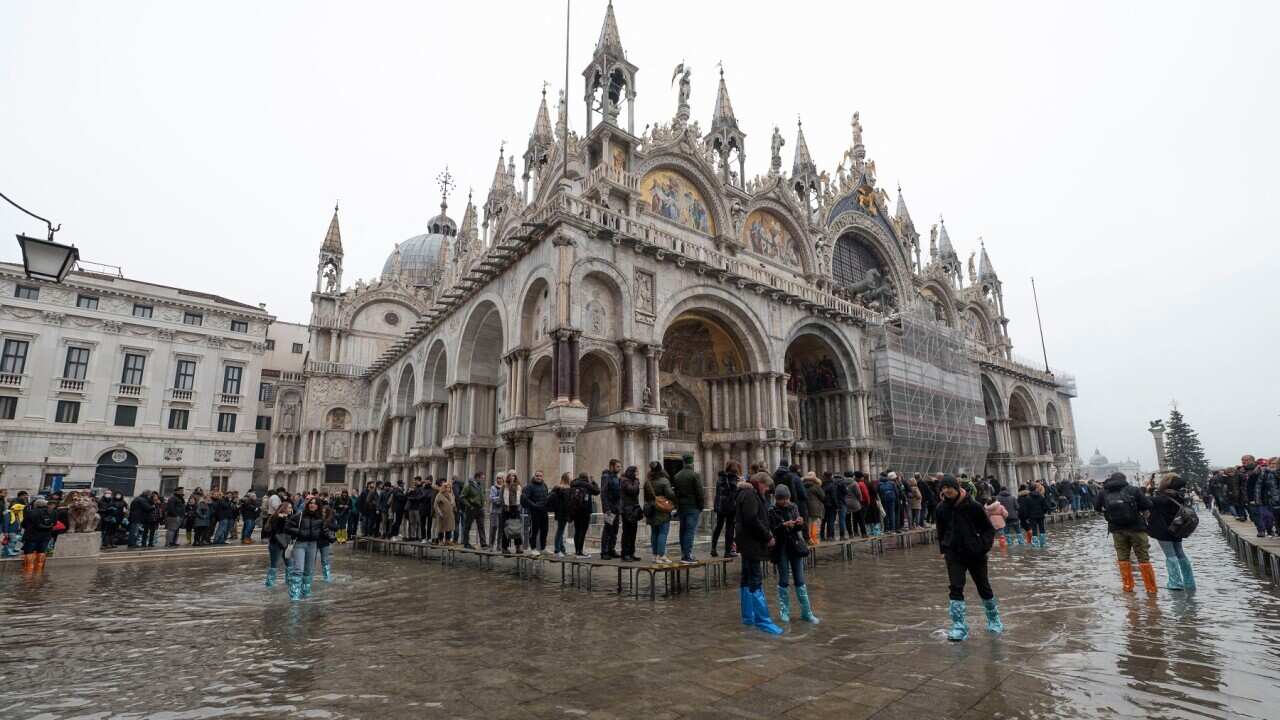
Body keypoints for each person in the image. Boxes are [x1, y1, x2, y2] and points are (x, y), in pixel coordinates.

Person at [935, 475, 1002, 641]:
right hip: (954, 554)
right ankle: (959, 626)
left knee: (983, 586)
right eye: (943, 488)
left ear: (956, 487)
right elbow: (940, 530)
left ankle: (994, 620)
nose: (945, 491)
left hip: (975, 554)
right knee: (955, 587)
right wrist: (944, 548)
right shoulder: (941, 508)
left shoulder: (974, 506)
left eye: (948, 487)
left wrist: (982, 546)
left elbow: (988, 529)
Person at [734, 469, 783, 634]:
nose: (767, 490)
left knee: (747, 578)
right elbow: (752, 519)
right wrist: (768, 536)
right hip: (752, 543)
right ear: (760, 483)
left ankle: (749, 616)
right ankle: (763, 621)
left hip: (747, 542)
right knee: (755, 579)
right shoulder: (750, 495)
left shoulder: (746, 493)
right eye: (766, 487)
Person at [1095, 472, 1156, 594]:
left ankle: (1128, 587)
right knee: (1143, 558)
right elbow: (1148, 504)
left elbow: (1096, 507)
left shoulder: (1103, 492)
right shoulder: (1133, 490)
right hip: (1137, 528)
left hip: (1117, 530)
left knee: (1123, 558)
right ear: (1124, 479)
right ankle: (1151, 588)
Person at [769, 485, 820, 625]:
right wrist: (783, 526)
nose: (785, 501)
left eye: (786, 498)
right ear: (777, 499)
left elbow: (799, 528)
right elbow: (772, 529)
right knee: (784, 579)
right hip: (781, 548)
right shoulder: (772, 511)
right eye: (781, 499)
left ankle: (807, 612)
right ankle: (784, 612)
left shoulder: (794, 507)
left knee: (800, 579)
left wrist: (799, 523)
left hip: (794, 546)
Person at [1148, 474, 1196, 592]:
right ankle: (1189, 582)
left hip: (1163, 530)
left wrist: (1146, 488)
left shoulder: (1161, 499)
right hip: (1177, 528)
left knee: (1170, 555)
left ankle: (1175, 582)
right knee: (1180, 554)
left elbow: (1145, 502)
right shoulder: (1180, 496)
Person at [285, 496, 325, 599]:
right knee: (298, 569)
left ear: (318, 506)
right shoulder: (299, 515)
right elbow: (288, 527)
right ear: (307, 505)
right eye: (311, 503)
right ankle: (294, 594)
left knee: (308, 570)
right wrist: (299, 532)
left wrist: (329, 536)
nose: (312, 505)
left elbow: (323, 530)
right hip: (300, 544)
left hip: (313, 545)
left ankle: (306, 592)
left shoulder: (320, 518)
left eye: (315, 503)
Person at [671, 453, 704, 565]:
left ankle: (684, 554)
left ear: (683, 462)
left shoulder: (677, 475)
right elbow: (699, 492)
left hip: (682, 507)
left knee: (683, 530)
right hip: (693, 506)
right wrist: (701, 506)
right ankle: (687, 555)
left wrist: (677, 506)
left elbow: (676, 493)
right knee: (690, 531)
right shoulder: (694, 475)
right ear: (692, 462)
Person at [644, 462, 676, 564]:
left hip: (651, 509)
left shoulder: (648, 481)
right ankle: (661, 555)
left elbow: (646, 496)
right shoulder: (664, 481)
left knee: (654, 532)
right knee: (663, 532)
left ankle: (654, 555)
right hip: (662, 509)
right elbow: (670, 494)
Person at [711, 461, 741, 557]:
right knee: (729, 528)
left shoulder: (721, 478)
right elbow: (735, 493)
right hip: (730, 507)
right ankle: (727, 551)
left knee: (718, 527)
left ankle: (713, 548)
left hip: (720, 506)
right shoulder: (733, 479)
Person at [21, 496, 55, 575]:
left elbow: (24, 524)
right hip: (46, 536)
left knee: (29, 552)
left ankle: (28, 571)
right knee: (42, 551)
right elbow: (54, 524)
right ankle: (38, 571)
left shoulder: (31, 512)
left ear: (36, 505)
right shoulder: (53, 512)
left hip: (32, 536)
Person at [568, 472, 599, 558]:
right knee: (583, 531)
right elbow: (597, 491)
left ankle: (576, 550)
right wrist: (593, 482)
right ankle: (580, 551)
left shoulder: (573, 484)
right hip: (585, 511)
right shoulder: (587, 485)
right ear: (586, 478)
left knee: (577, 530)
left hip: (575, 511)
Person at [263, 501, 292, 587]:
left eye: (291, 507)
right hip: (276, 544)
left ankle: (289, 582)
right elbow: (276, 531)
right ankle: (269, 584)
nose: (291, 509)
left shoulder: (288, 517)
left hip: (286, 544)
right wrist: (282, 519)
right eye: (289, 507)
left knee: (289, 563)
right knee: (274, 564)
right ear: (284, 508)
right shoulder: (276, 517)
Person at [522, 470, 550, 556]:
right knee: (534, 530)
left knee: (545, 530)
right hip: (534, 512)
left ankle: (543, 548)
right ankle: (533, 548)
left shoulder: (544, 485)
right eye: (537, 476)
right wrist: (534, 505)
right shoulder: (529, 486)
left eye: (540, 476)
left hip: (544, 511)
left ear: (542, 477)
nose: (538, 477)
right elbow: (525, 498)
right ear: (534, 476)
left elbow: (546, 496)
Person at [619, 465, 644, 562]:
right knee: (627, 532)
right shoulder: (625, 481)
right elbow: (632, 490)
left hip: (633, 509)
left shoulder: (632, 481)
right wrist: (637, 482)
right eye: (636, 472)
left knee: (633, 532)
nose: (637, 474)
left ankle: (631, 553)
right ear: (632, 472)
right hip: (627, 510)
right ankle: (625, 554)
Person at [599, 460, 622, 560]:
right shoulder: (606, 477)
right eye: (617, 466)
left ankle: (611, 549)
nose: (619, 468)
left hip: (616, 508)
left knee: (615, 530)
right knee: (608, 529)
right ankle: (604, 552)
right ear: (612, 466)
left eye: (620, 466)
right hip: (609, 508)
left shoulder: (616, 477)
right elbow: (603, 493)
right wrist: (607, 508)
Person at [1019, 483, 1051, 548]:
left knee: (1034, 530)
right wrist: (1043, 512)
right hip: (1040, 516)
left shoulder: (1028, 498)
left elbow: (1026, 509)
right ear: (1036, 489)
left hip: (1032, 517)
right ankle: (1043, 544)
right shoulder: (1041, 496)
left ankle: (1035, 545)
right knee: (1042, 529)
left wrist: (1027, 517)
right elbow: (1046, 506)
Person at [500, 472, 525, 555]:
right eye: (511, 475)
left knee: (516, 528)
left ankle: (518, 547)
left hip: (516, 509)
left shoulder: (518, 486)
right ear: (508, 477)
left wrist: (519, 507)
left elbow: (521, 498)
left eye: (514, 475)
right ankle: (504, 548)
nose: (512, 477)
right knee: (506, 529)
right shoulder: (504, 486)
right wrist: (505, 506)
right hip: (506, 509)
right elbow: (501, 498)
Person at [461, 472, 487, 549]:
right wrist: (469, 505)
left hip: (480, 509)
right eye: (482, 478)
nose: (483, 480)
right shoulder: (468, 486)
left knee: (481, 526)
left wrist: (483, 502)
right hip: (471, 509)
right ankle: (466, 543)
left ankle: (483, 544)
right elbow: (462, 497)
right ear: (477, 477)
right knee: (467, 526)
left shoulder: (480, 486)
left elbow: (482, 495)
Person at [549, 473, 572, 558]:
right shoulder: (561, 488)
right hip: (562, 512)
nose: (572, 478)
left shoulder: (560, 487)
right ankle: (557, 550)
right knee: (560, 531)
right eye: (570, 476)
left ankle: (562, 549)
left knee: (561, 531)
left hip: (562, 512)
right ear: (567, 478)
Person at [316, 498, 339, 581]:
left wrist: (327, 524)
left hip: (325, 542)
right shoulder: (317, 518)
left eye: (325, 512)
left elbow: (336, 528)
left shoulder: (330, 520)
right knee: (311, 560)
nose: (323, 513)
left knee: (325, 560)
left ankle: (327, 577)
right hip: (315, 541)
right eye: (322, 512)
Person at [433, 480, 456, 545]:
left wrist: (454, 506)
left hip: (450, 514)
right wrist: (439, 512)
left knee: (449, 527)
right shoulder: (439, 495)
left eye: (449, 487)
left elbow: (453, 504)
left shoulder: (451, 495)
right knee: (441, 528)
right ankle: (440, 540)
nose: (448, 489)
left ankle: (447, 540)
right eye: (447, 487)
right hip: (442, 514)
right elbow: (435, 505)